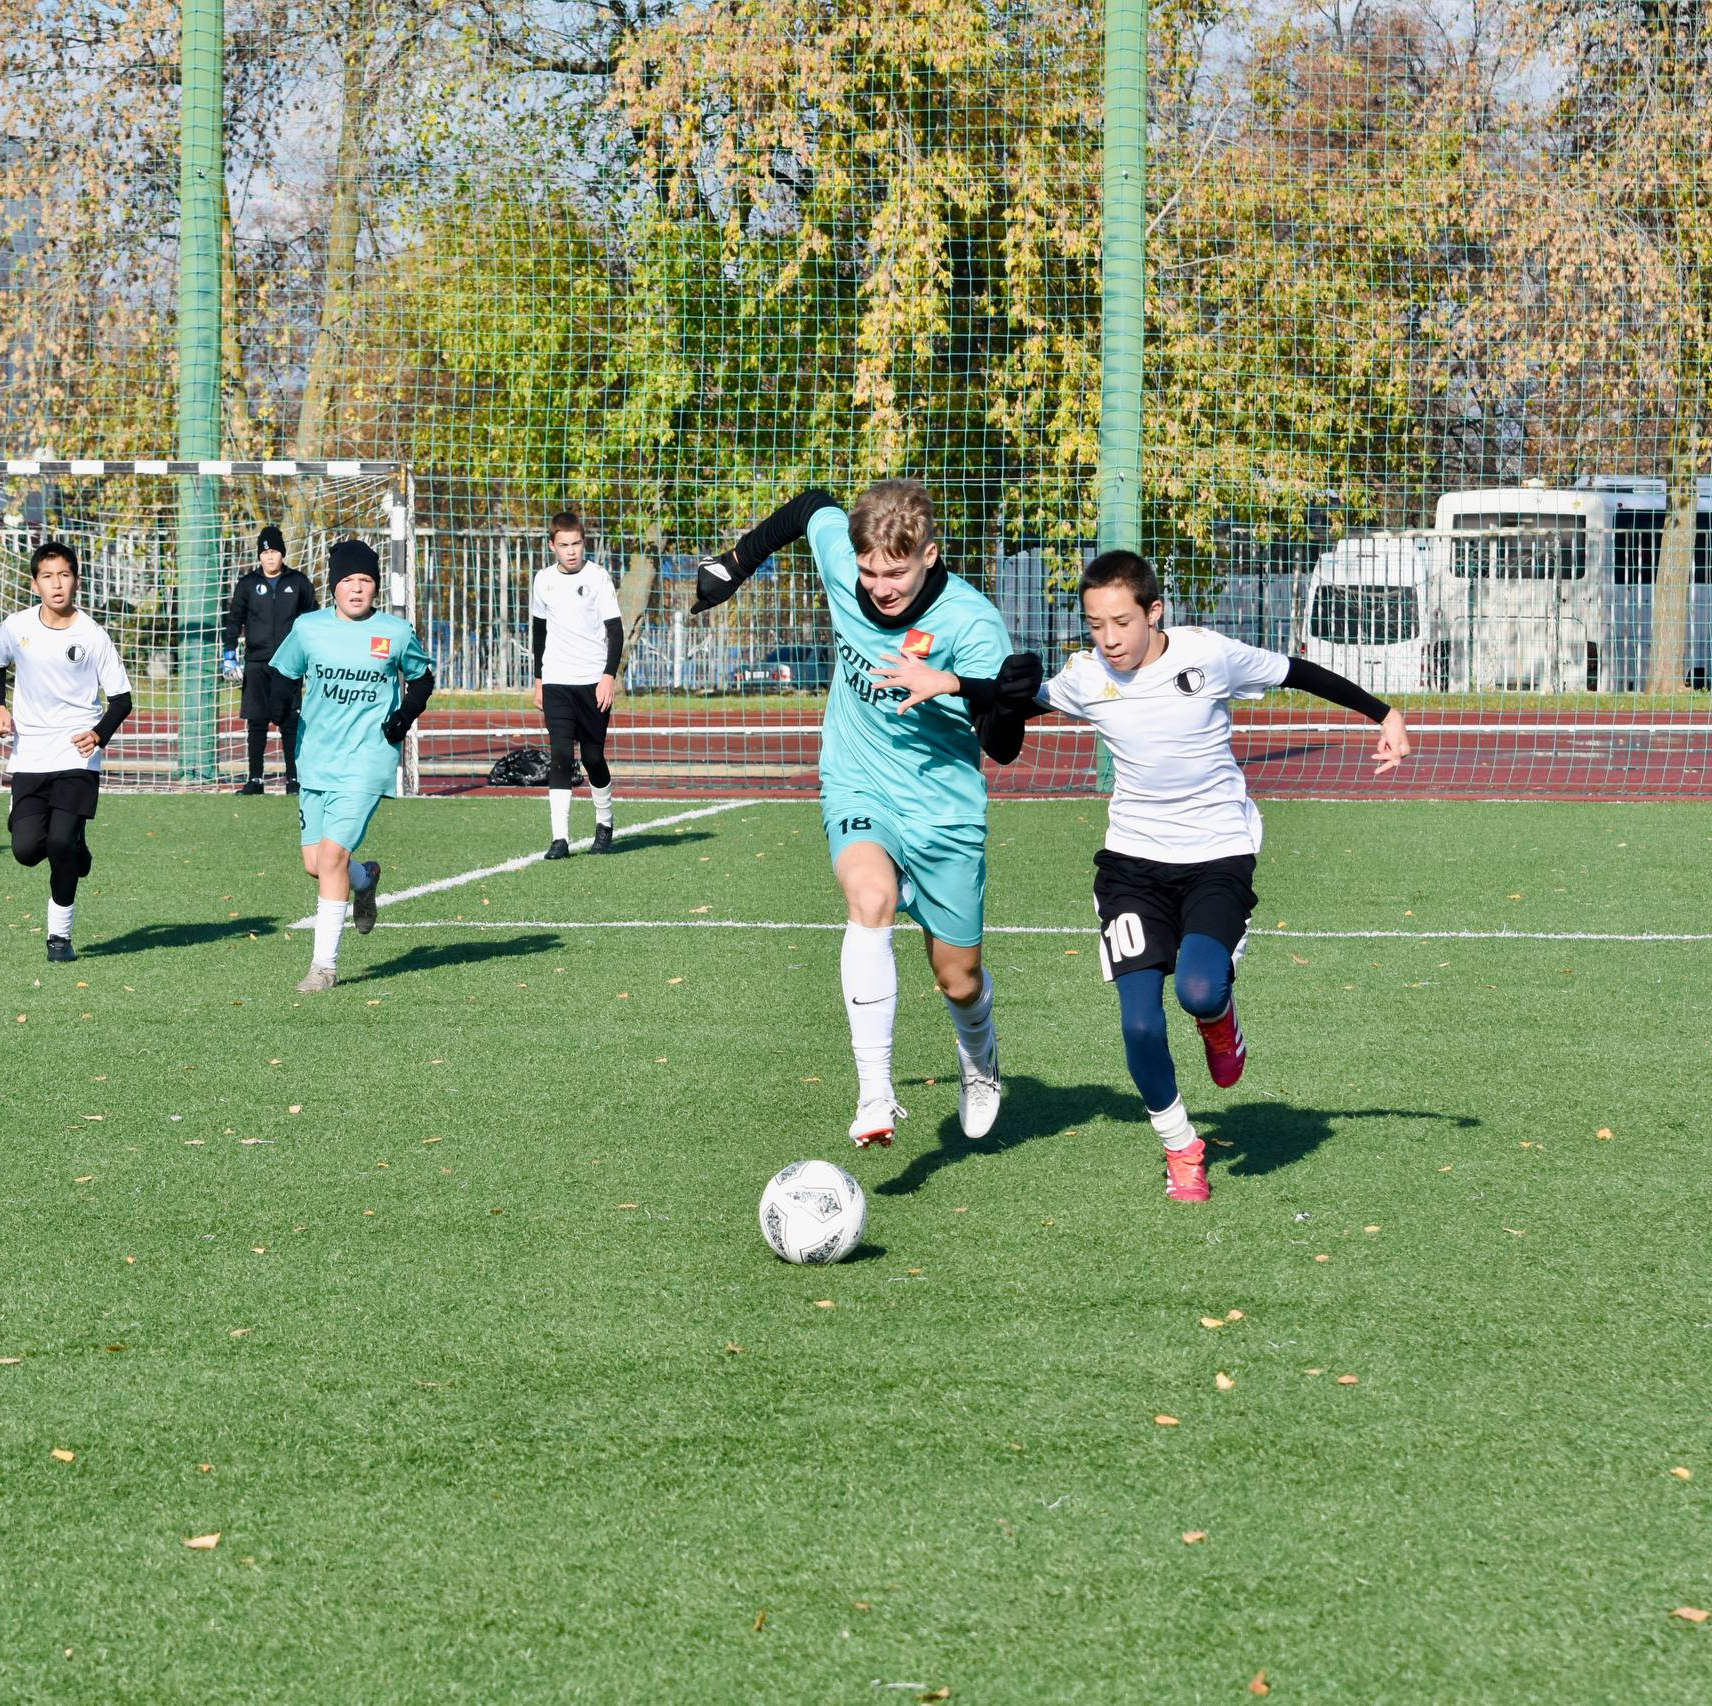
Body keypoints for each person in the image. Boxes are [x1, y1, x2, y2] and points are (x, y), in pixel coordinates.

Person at [1034, 548, 1409, 1203]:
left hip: (1217, 855)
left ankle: (1220, 1019)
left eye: (1122, 621)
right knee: (1141, 1026)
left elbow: (1296, 671)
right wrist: (975, 693)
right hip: (1130, 868)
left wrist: (1385, 715)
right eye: (1096, 625)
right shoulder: (1083, 676)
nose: (1110, 638)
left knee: (1201, 989)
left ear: (1155, 613)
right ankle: (1182, 1148)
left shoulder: (1208, 654)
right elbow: (1014, 705)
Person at [694, 480, 1043, 1149]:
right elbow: (811, 506)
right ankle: (875, 1094)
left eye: (897, 573)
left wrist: (1002, 698)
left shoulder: (970, 624)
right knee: (869, 896)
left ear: (930, 556)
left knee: (958, 978)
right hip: (857, 781)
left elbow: (1003, 748)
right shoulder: (841, 556)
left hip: (943, 808)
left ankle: (979, 1055)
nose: (880, 587)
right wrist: (734, 566)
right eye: (870, 571)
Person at [270, 540, 435, 993]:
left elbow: (422, 678)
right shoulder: (308, 629)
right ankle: (366, 879)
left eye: (365, 581)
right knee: (314, 863)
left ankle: (323, 967)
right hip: (317, 757)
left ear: (375, 587)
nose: (357, 589)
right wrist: (281, 711)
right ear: (334, 587)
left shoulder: (396, 632)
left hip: (368, 758)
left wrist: (403, 718)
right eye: (348, 581)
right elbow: (282, 677)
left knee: (330, 857)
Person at [0, 541, 133, 963]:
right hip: (30, 755)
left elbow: (122, 699)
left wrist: (98, 734)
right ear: (35, 583)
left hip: (76, 757)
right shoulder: (15, 627)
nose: (57, 584)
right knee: (27, 850)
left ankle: (59, 939)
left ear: (76, 581)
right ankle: (74, 846)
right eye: (48, 576)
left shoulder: (92, 635)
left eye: (65, 575)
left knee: (62, 840)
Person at [530, 509, 624, 858]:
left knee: (593, 757)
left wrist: (608, 676)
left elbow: (615, 631)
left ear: (584, 543)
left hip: (592, 681)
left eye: (577, 544)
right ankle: (560, 839)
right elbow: (539, 631)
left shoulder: (599, 578)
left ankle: (605, 823)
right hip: (556, 680)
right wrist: (539, 679)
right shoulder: (543, 580)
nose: (571, 551)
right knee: (559, 755)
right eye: (564, 545)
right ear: (552, 545)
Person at [221, 524, 316, 794]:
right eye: (265, 553)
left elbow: (313, 621)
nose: (270, 557)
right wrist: (230, 655)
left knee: (290, 722)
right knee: (257, 721)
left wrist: (310, 655)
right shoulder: (247, 584)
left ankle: (294, 780)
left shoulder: (298, 583)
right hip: (257, 663)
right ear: (259, 556)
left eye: (274, 551)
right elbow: (234, 621)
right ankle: (255, 780)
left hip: (289, 664)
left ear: (282, 554)